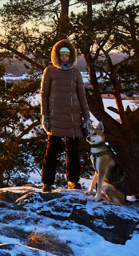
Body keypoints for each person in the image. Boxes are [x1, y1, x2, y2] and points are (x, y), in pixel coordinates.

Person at [40, 39, 90, 191]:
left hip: (73, 118)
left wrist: (86, 117)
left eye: (67, 55)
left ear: (71, 56)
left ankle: (73, 182)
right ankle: (47, 183)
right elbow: (44, 94)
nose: (64, 58)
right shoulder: (49, 71)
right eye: (62, 55)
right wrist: (45, 116)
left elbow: (82, 96)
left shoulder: (75, 73)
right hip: (55, 118)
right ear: (57, 55)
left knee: (73, 152)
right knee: (51, 151)